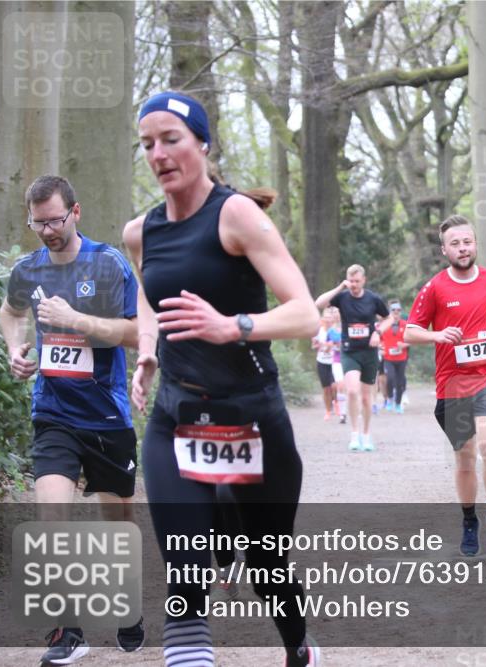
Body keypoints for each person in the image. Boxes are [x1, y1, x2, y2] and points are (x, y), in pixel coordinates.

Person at [125, 91, 321, 667]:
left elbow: (305, 312)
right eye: (147, 144)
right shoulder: (141, 231)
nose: (158, 153)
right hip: (177, 418)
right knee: (186, 572)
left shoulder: (236, 215)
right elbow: (147, 295)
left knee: (267, 568)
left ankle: (298, 647)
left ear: (203, 145)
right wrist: (148, 350)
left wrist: (231, 325)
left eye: (171, 139)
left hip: (252, 420)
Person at [0, 174, 145, 663]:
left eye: (55, 220)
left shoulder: (108, 265)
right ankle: (69, 632)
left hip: (106, 417)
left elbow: (136, 334)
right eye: (37, 223)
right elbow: (10, 312)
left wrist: (75, 320)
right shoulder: (28, 269)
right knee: (51, 517)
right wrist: (15, 349)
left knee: (117, 522)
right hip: (53, 413)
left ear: (76, 212)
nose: (46, 231)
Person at [404, 215, 486, 557]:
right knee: (464, 456)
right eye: (455, 244)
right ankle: (468, 520)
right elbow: (408, 331)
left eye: (467, 241)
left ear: (475, 244)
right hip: (452, 384)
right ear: (444, 250)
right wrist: (436, 334)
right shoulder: (434, 287)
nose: (463, 248)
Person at [315, 265, 388, 452]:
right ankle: (354, 434)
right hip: (349, 351)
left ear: (363, 280)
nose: (354, 285)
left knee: (366, 397)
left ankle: (366, 434)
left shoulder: (373, 299)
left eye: (357, 281)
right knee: (352, 391)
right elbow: (319, 303)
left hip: (369, 352)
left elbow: (388, 319)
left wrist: (377, 332)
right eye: (351, 281)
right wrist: (340, 287)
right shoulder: (342, 297)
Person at [378, 300, 409, 414]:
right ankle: (390, 399)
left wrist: (404, 345)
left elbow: (411, 340)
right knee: (390, 378)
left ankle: (398, 404)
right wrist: (381, 347)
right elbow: (379, 340)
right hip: (388, 358)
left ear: (401, 312)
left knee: (400, 381)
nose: (396, 312)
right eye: (393, 310)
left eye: (398, 310)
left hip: (401, 358)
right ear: (389, 312)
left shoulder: (405, 324)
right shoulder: (384, 325)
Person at [312, 308, 338, 420]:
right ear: (322, 319)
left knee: (335, 386)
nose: (327, 320)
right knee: (326, 388)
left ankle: (337, 402)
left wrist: (331, 346)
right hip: (322, 361)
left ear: (333, 319)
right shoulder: (318, 331)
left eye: (329, 317)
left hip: (334, 361)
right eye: (325, 317)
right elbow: (313, 346)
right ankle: (328, 410)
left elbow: (340, 344)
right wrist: (319, 346)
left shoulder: (336, 331)